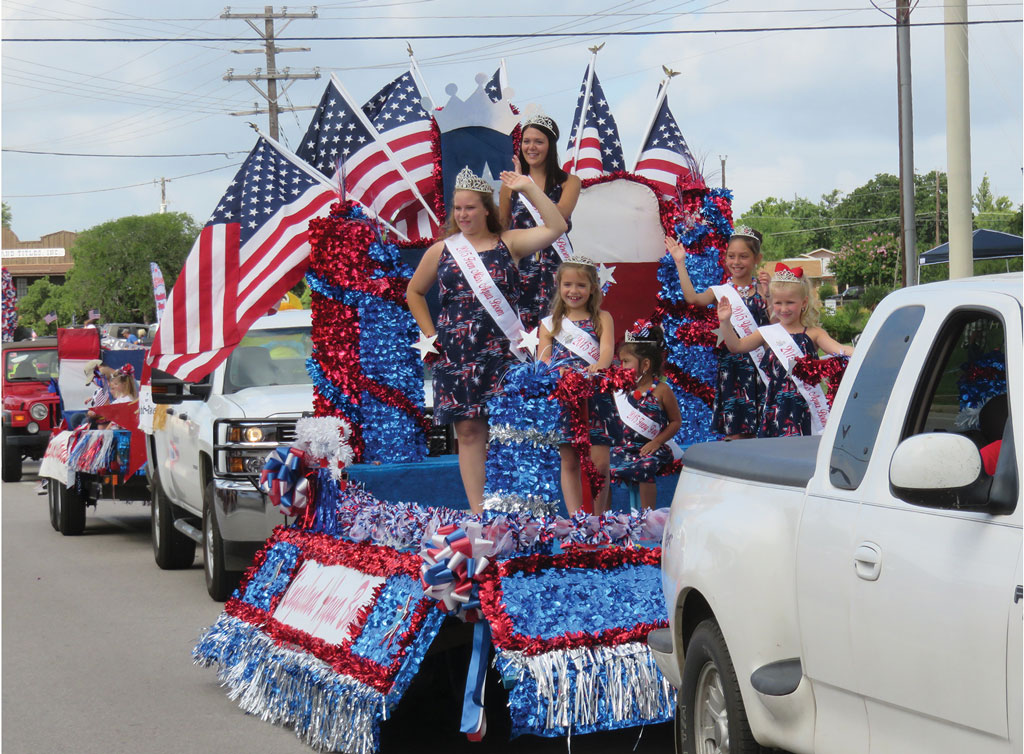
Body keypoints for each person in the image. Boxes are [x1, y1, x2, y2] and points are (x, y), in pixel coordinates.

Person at [407, 166, 568, 513]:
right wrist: (431, 334)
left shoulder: (508, 242)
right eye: (458, 209)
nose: (463, 215)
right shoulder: (442, 250)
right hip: (458, 354)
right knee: (468, 432)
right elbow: (415, 292)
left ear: (486, 210)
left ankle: (518, 507)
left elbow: (557, 227)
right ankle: (480, 513)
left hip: (504, 350)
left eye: (470, 207)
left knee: (511, 429)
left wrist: (527, 187)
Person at [717, 263, 854, 438]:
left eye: (790, 302)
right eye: (778, 303)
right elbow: (736, 346)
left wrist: (869, 348)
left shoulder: (814, 333)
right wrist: (726, 322)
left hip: (807, 408)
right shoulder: (767, 333)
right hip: (777, 409)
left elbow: (841, 350)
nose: (783, 308)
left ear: (803, 302)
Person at [667, 226, 770, 439]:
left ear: (756, 258)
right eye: (731, 256)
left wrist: (769, 295)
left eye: (744, 256)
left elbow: (777, 323)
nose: (736, 262)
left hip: (763, 367)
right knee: (736, 431)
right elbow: (693, 299)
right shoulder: (719, 291)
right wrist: (680, 262)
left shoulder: (765, 291)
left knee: (763, 430)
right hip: (733, 368)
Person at [538, 257, 616, 514]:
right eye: (568, 284)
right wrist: (555, 371)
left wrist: (597, 367)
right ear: (558, 285)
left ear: (593, 287)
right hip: (566, 398)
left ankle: (597, 516)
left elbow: (606, 352)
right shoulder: (550, 324)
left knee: (600, 462)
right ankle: (576, 520)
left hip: (596, 395)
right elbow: (543, 359)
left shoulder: (603, 317)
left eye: (581, 285)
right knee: (569, 459)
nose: (574, 291)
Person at [499, 114, 581, 333]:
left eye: (538, 141)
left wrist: (527, 188)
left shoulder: (569, 182)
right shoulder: (509, 185)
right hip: (521, 267)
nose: (531, 147)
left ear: (550, 146)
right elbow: (501, 228)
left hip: (557, 266)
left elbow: (558, 218)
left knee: (559, 332)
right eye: (526, 141)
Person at [610, 324, 682, 510]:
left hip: (651, 450)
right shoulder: (621, 390)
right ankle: (604, 516)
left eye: (626, 362)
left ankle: (646, 517)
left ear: (646, 364)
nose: (621, 366)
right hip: (625, 449)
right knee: (601, 465)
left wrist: (657, 442)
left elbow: (675, 422)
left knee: (645, 467)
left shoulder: (662, 390)